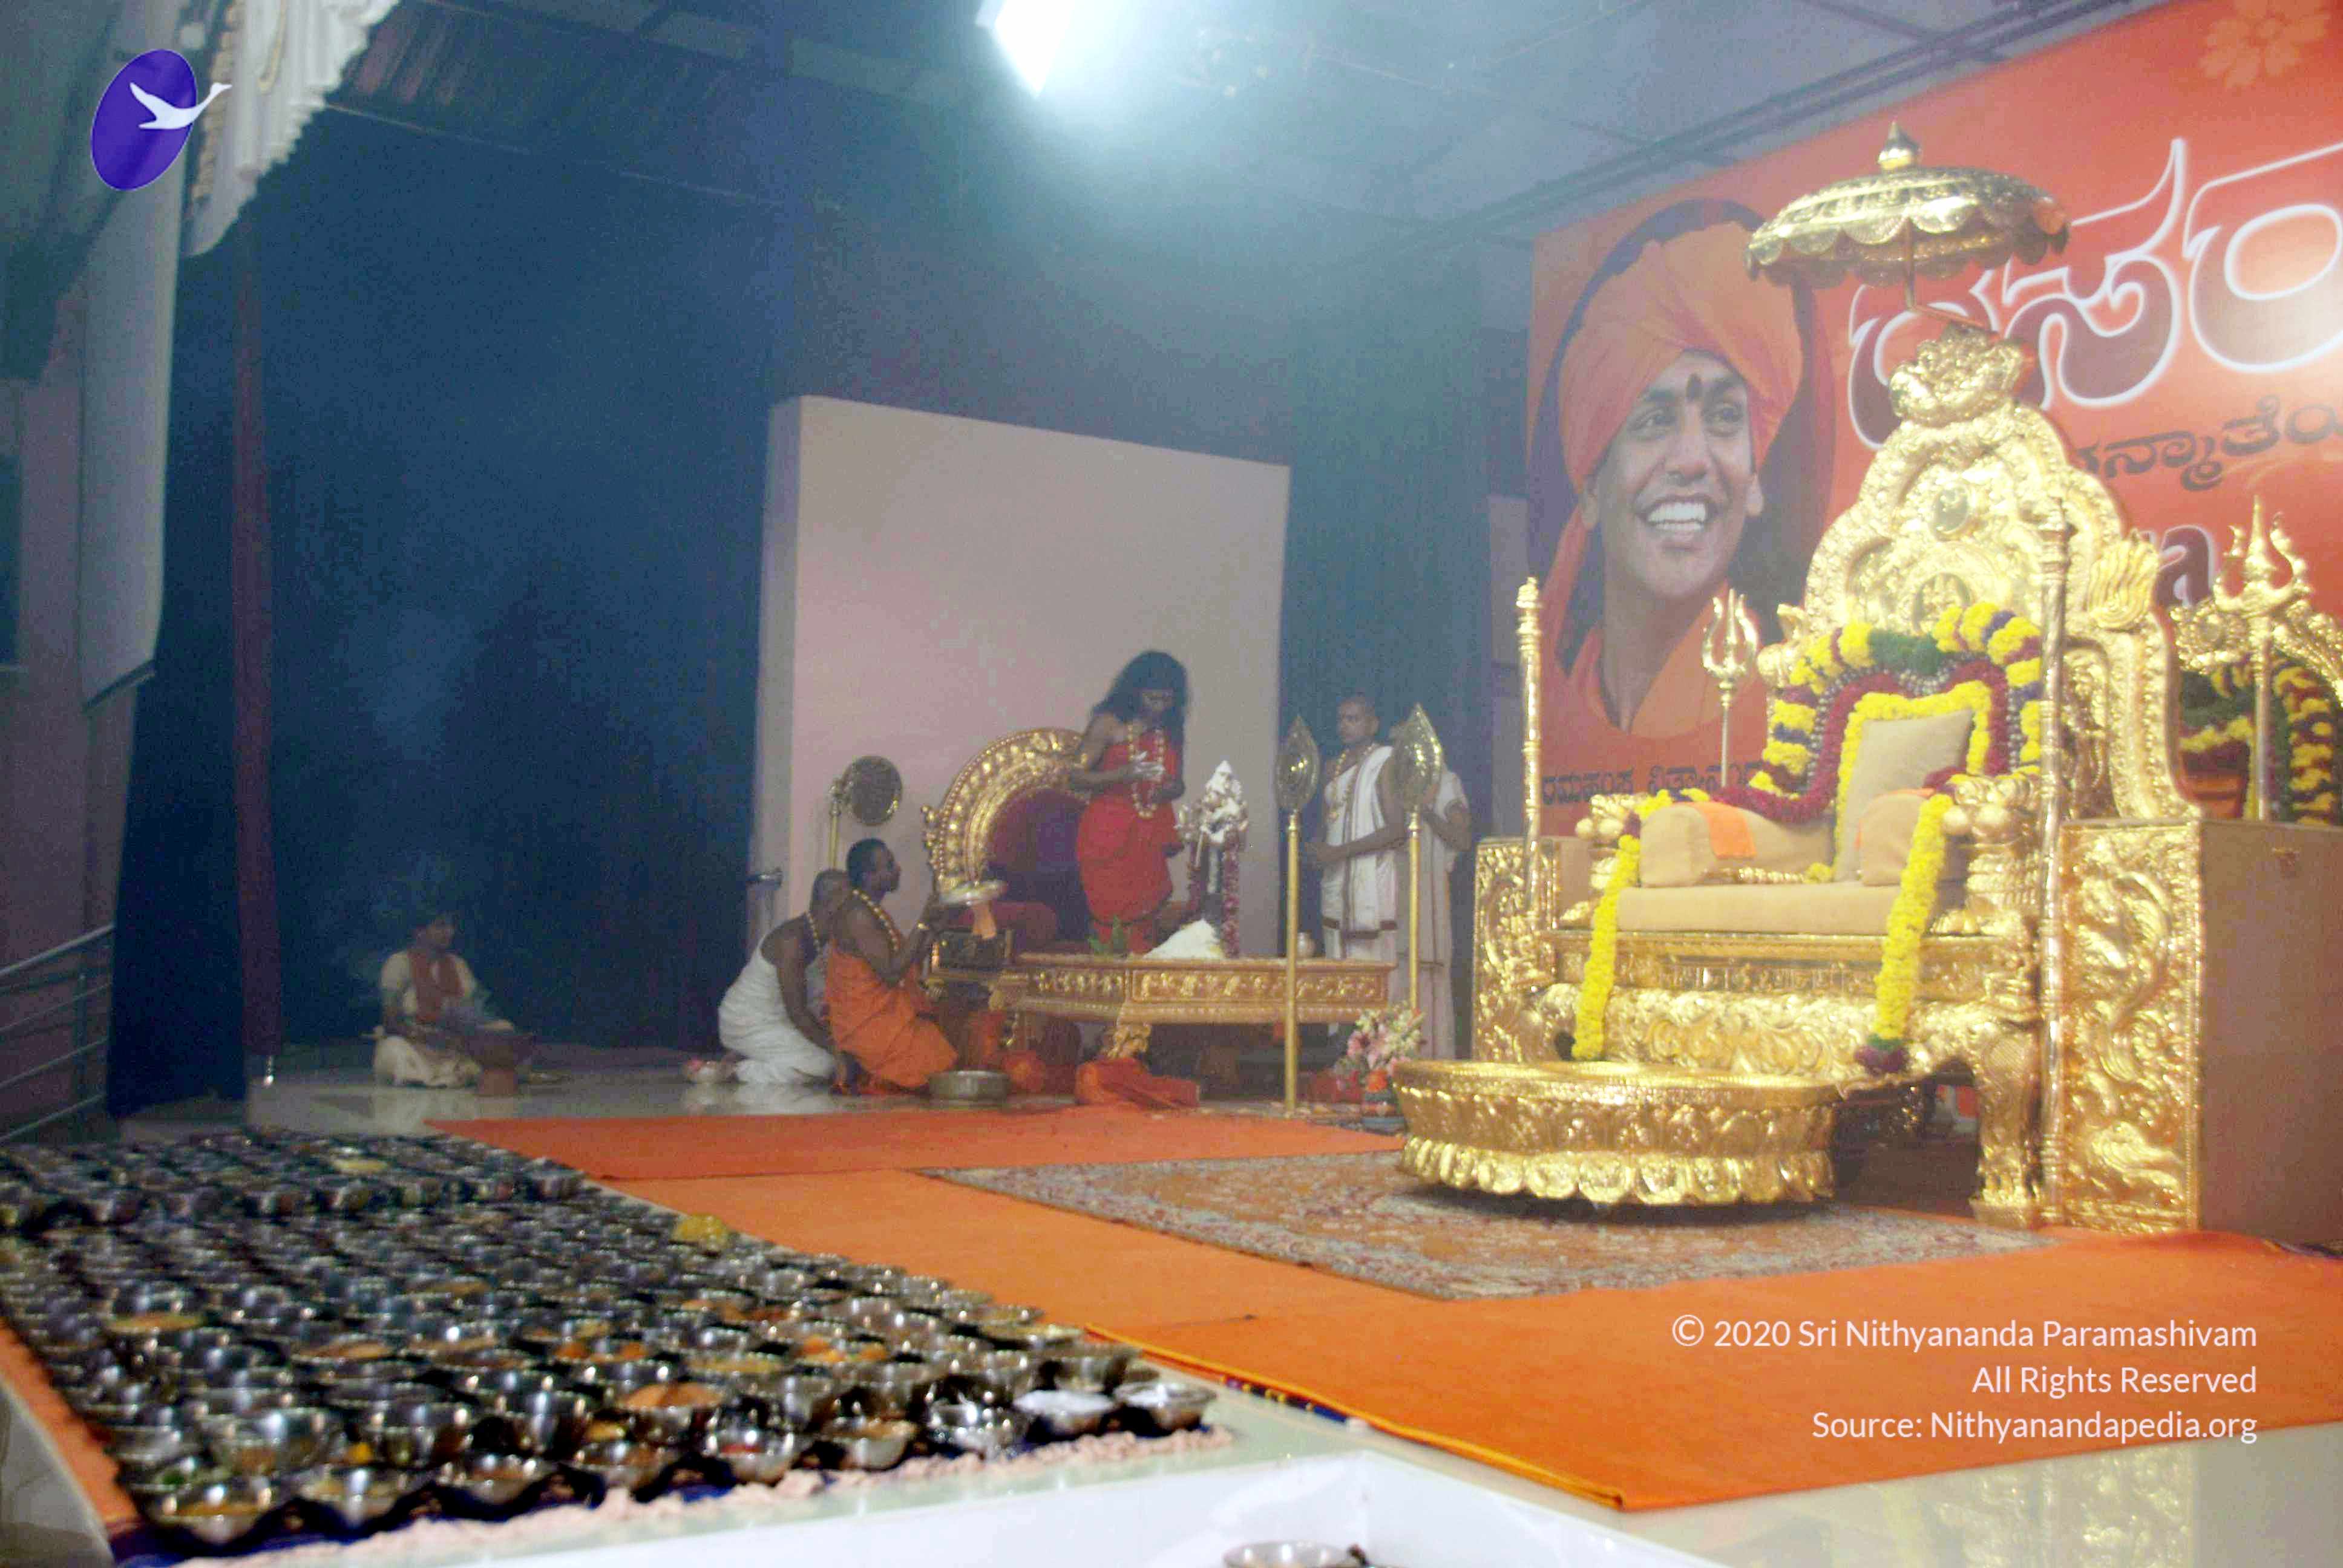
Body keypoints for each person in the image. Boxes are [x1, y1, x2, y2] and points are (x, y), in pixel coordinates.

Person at [1529, 204, 1833, 831]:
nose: (1692, 461)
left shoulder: (1783, 684)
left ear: (1755, 478)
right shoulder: (1574, 686)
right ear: (1591, 485)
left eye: (1723, 417)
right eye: (1653, 420)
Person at [1068, 651, 1188, 953]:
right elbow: (1075, 777)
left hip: (1147, 835)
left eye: (1167, 699)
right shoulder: (1107, 725)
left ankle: (1141, 977)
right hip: (1106, 836)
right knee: (1111, 918)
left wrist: (1168, 790)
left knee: (1145, 921)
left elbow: (1179, 784)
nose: (1159, 707)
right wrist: (1122, 774)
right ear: (1135, 692)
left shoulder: (1170, 729)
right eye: (1152, 698)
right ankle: (1112, 978)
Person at [825, 838, 958, 1094]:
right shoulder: (858, 915)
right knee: (936, 1070)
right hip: (868, 1023)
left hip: (887, 1013)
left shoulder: (871, 910)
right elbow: (891, 973)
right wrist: (923, 921)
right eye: (889, 866)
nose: (898, 870)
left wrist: (934, 929)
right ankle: (864, 1072)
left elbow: (908, 962)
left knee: (941, 1059)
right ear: (868, 876)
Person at [708, 870, 853, 1088]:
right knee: (823, 1065)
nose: (859, 908)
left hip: (782, 1022)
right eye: (853, 900)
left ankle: (751, 1054)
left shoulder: (825, 936)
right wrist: (838, 1052)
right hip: (748, 1022)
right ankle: (735, 1070)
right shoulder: (792, 941)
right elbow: (798, 1014)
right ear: (832, 903)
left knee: (846, 1054)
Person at [1305, 694, 1404, 998]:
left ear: (1373, 725)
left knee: (1372, 970)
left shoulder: (1384, 762)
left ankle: (1377, 1030)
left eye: (1354, 719)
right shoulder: (1331, 767)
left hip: (1372, 878)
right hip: (1336, 880)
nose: (1344, 726)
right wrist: (1316, 848)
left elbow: (1397, 831)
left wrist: (1338, 852)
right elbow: (1327, 825)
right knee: (1336, 962)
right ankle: (1341, 1027)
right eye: (1341, 719)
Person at [373, 911, 536, 1088]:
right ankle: (434, 1077)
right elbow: (390, 1022)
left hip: (455, 1047)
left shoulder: (458, 965)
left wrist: (467, 1032)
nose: (450, 932)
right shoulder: (399, 963)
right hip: (415, 1046)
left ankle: (452, 1076)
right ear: (419, 932)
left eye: (451, 926)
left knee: (504, 1029)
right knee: (393, 1050)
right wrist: (424, 1037)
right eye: (440, 926)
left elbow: (479, 1012)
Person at [1401, 765, 1472, 1060]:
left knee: (1429, 978)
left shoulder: (1444, 781)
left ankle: (1434, 1059)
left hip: (1428, 896)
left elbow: (1462, 839)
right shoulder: (1394, 777)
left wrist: (1426, 813)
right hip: (1394, 892)